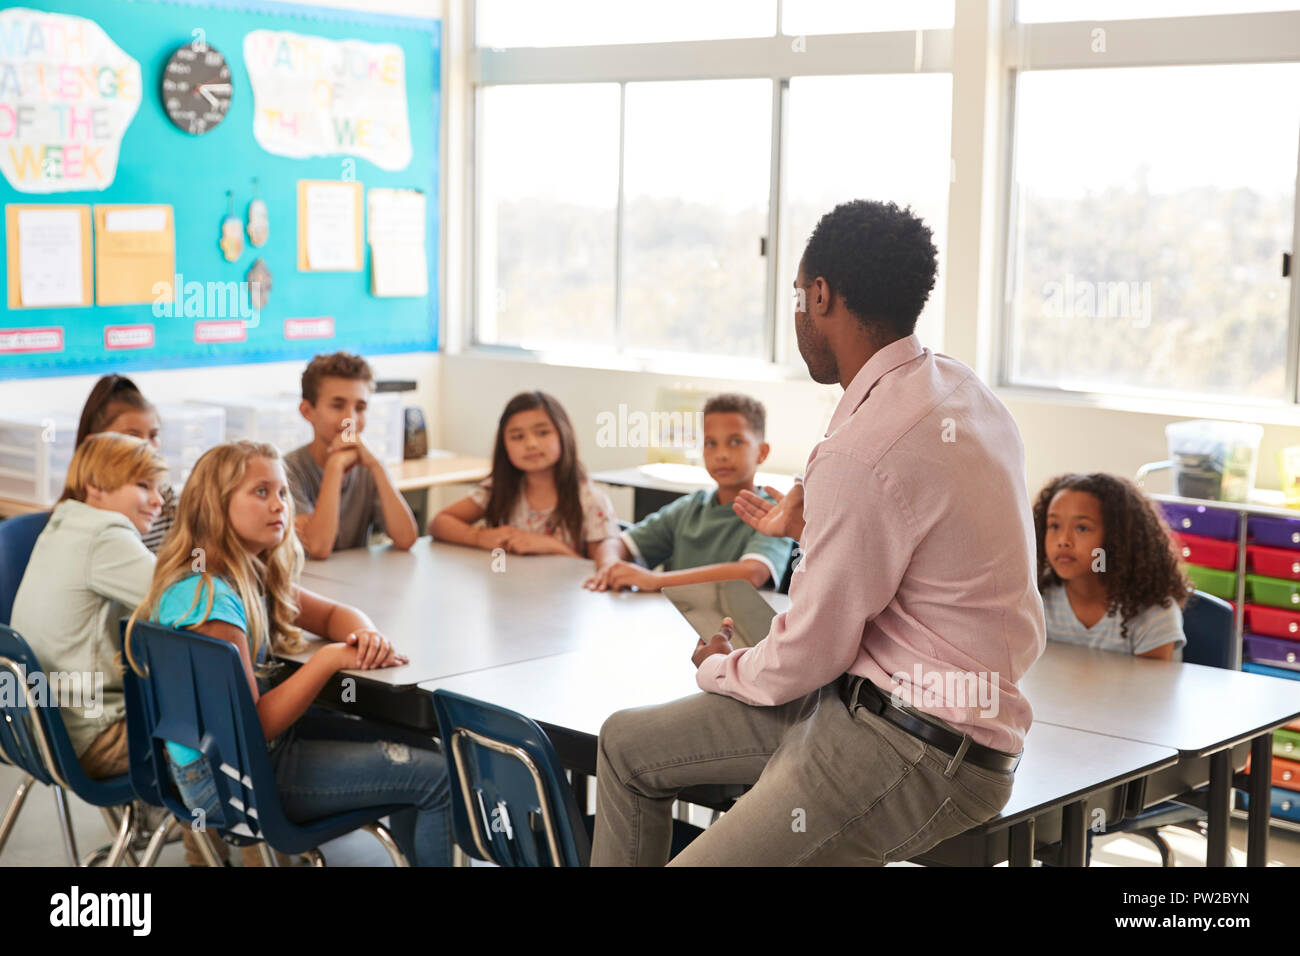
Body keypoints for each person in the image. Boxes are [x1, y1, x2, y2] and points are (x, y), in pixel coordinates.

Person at [591, 199, 1046, 866]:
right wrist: (818, 529)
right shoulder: (960, 391)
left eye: (798, 296)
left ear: (821, 294)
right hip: (858, 700)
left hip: (917, 745)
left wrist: (721, 668)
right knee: (624, 744)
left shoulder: (863, 447)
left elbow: (809, 651)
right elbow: (896, 557)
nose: (797, 313)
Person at [125, 440, 453, 866]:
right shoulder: (212, 603)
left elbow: (335, 613)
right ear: (214, 505)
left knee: (419, 749)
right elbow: (255, 726)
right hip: (232, 783)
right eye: (260, 492)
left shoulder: (239, 573)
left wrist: (363, 636)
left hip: (234, 765)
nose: (279, 505)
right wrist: (328, 660)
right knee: (439, 778)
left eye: (282, 492)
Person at [584, 393, 794, 592]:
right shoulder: (691, 508)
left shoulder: (772, 514)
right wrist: (610, 569)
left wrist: (655, 581)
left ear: (762, 452)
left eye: (735, 442)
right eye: (710, 443)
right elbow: (617, 543)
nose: (721, 454)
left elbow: (751, 573)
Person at [431, 391, 620, 563]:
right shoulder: (499, 489)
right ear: (504, 445)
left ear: (564, 434)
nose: (531, 444)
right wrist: (479, 537)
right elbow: (440, 522)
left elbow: (604, 572)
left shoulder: (590, 500)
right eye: (517, 437)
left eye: (543, 432)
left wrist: (552, 546)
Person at [1033, 472, 1188, 659]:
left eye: (1082, 528)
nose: (1063, 540)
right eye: (1054, 526)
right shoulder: (1038, 600)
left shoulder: (1153, 612)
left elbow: (1152, 687)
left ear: (1117, 538)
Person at [285, 351, 419, 559]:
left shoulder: (367, 466)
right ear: (307, 411)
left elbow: (406, 539)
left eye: (360, 407)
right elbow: (318, 547)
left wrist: (377, 467)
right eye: (337, 406)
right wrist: (335, 467)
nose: (350, 419)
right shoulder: (287, 470)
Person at [75, 374, 176, 552]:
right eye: (132, 436)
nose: (147, 447)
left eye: (153, 435)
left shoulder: (166, 499)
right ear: (94, 445)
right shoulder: (82, 516)